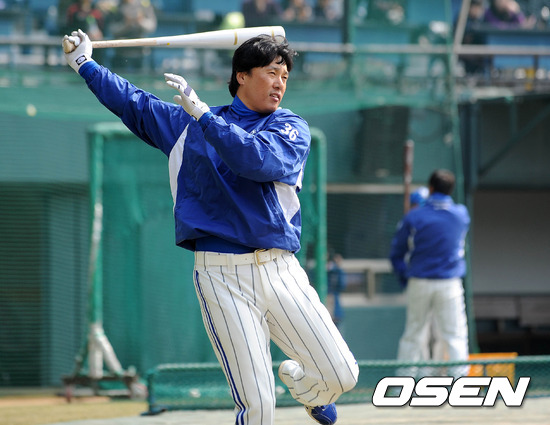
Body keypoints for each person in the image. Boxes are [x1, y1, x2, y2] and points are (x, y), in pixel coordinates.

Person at [62, 29, 359, 425]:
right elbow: (133, 102)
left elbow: (256, 161)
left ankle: (307, 389)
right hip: (221, 275)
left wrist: (204, 116)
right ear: (241, 75)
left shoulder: (289, 126)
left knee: (343, 374)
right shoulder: (187, 123)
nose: (280, 83)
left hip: (280, 270)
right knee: (257, 407)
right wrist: (85, 64)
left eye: (285, 76)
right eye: (271, 72)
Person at [389, 169, 470, 379]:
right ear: (450, 190)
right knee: (455, 335)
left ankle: (401, 385)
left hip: (419, 282)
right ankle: (461, 384)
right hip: (450, 283)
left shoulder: (415, 216)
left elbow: (397, 252)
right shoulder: (461, 215)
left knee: (413, 335)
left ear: (431, 188)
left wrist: (404, 278)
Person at [109, 0, 157, 70]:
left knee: (142, 76)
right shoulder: (115, 7)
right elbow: (112, 29)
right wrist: (126, 24)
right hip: (121, 53)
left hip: (141, 53)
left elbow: (151, 27)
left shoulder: (144, 4)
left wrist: (140, 21)